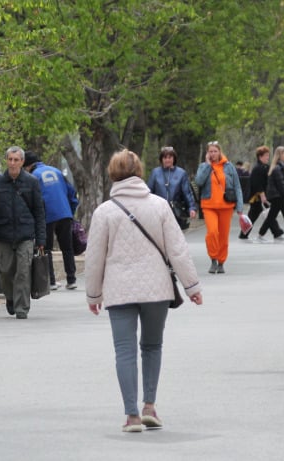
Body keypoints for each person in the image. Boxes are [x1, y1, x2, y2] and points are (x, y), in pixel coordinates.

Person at [86, 149, 203, 432]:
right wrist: (192, 286)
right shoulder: (160, 205)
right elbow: (178, 249)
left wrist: (93, 294)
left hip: (119, 290)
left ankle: (131, 416)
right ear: (139, 172)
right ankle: (149, 406)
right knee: (152, 346)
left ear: (113, 174)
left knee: (124, 351)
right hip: (156, 290)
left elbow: (94, 257)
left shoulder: (104, 211)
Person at [0, 146, 46, 319]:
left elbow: (39, 212)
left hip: (25, 234)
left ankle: (22, 308)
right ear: (6, 160)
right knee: (5, 271)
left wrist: (41, 239)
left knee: (23, 272)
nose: (12, 163)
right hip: (4, 234)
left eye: (16, 160)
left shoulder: (31, 182)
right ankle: (10, 298)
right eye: (10, 159)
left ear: (22, 162)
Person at [23, 151, 79, 291]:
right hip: (64, 213)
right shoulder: (57, 171)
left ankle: (52, 281)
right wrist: (70, 212)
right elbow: (72, 192)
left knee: (45, 248)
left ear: (28, 166)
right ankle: (71, 280)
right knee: (67, 247)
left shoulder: (32, 176)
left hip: (47, 215)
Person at [194, 141, 244, 274]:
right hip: (209, 205)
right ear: (207, 153)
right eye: (210, 151)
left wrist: (239, 207)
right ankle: (213, 259)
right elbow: (198, 181)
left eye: (215, 151)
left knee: (223, 236)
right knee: (212, 233)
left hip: (226, 206)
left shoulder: (229, 166)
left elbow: (237, 186)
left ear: (220, 152)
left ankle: (221, 262)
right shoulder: (204, 166)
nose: (213, 154)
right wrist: (208, 166)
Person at [147, 146, 197, 230]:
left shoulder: (181, 173)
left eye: (170, 157)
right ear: (161, 159)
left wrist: (192, 207)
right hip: (158, 210)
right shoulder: (155, 173)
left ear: (174, 158)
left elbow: (187, 192)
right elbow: (149, 192)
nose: (167, 160)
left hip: (176, 211)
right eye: (165, 157)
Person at [256, 146, 284, 243]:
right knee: (282, 216)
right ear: (280, 155)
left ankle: (263, 235)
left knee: (274, 216)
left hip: (276, 195)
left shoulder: (279, 167)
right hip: (277, 196)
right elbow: (281, 184)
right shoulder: (278, 168)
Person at [239, 145, 272, 239]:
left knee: (254, 216)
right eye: (266, 155)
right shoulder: (258, 168)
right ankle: (276, 232)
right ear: (260, 156)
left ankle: (244, 234)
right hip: (256, 197)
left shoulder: (263, 167)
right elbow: (257, 183)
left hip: (258, 196)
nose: (267, 157)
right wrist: (262, 194)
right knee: (259, 215)